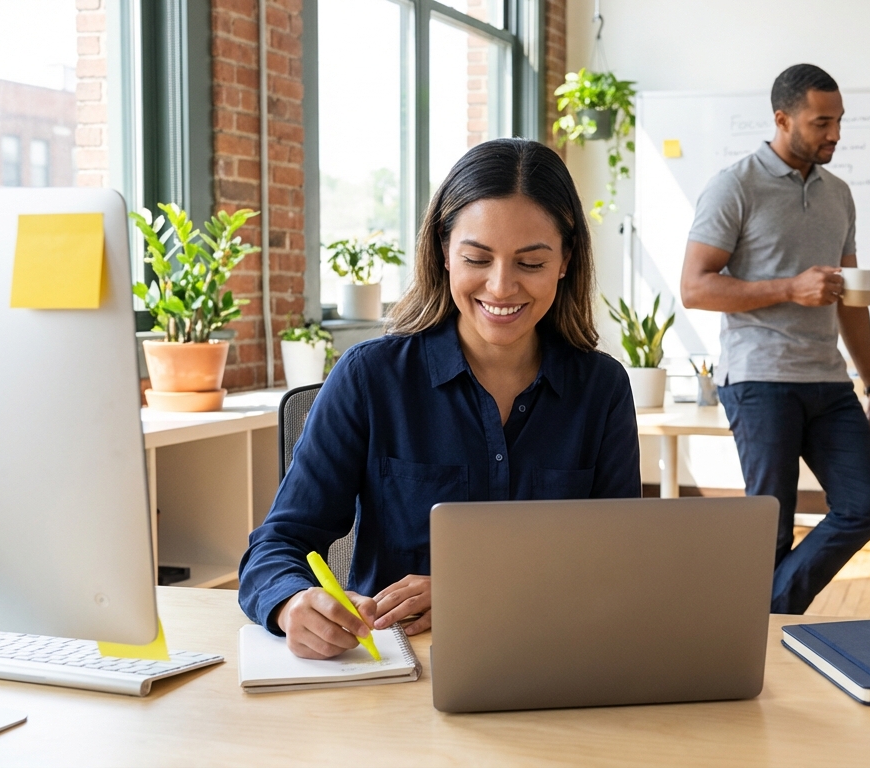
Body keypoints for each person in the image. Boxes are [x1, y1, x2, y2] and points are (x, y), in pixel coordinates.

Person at [239, 139, 641, 658]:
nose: (501, 287)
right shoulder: (369, 378)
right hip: (398, 678)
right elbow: (276, 546)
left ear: (565, 262)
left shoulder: (601, 389)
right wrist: (291, 603)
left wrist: (476, 595)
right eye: (477, 257)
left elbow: (619, 567)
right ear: (444, 253)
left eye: (531, 264)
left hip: (551, 661)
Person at [680, 64, 870, 615]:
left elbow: (852, 300)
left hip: (827, 380)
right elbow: (695, 287)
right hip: (759, 377)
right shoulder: (735, 185)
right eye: (822, 122)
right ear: (782, 118)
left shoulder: (839, 194)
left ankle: (760, 616)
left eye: (839, 121)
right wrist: (789, 289)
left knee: (864, 508)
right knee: (771, 529)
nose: (835, 134)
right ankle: (764, 641)